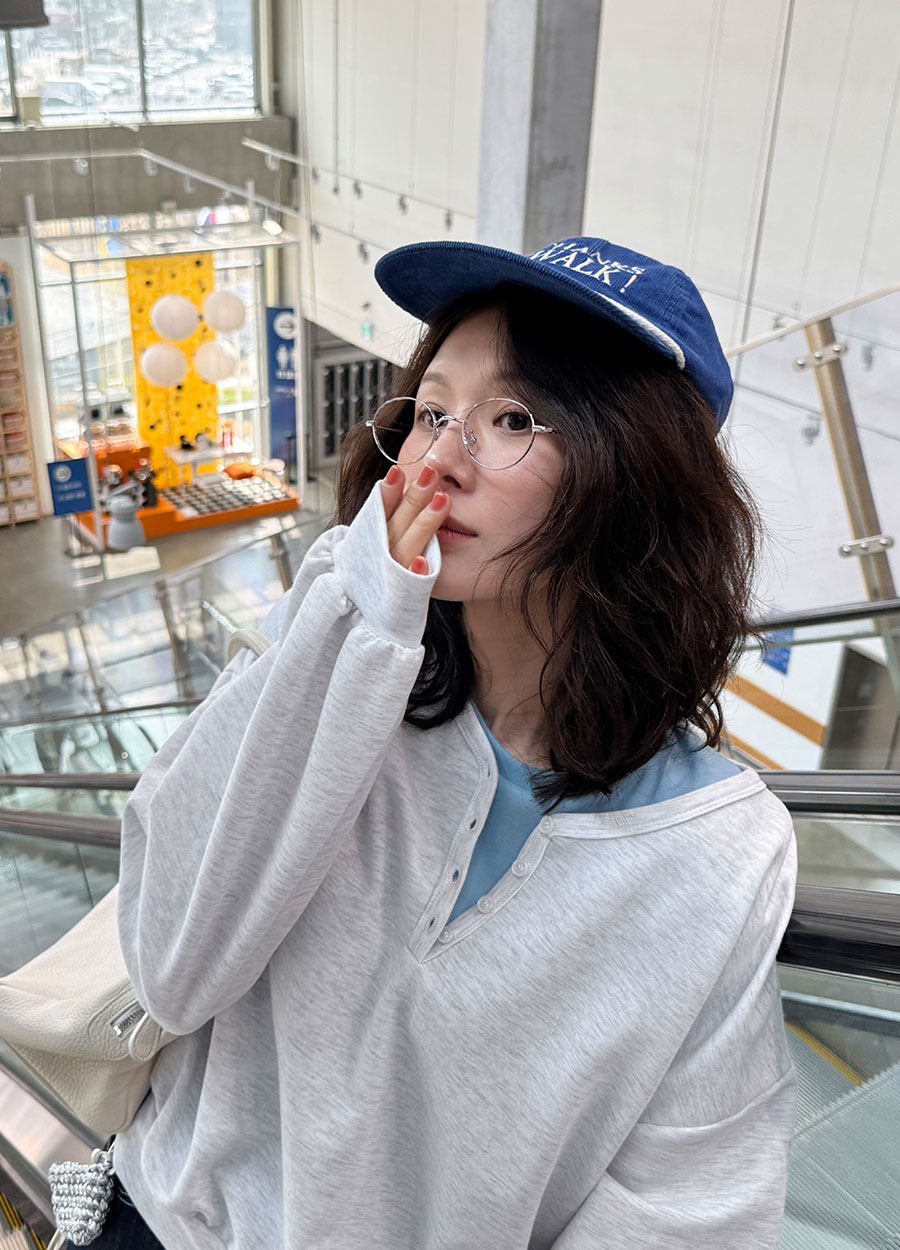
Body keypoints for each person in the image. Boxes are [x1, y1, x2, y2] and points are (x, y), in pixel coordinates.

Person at [95, 236, 797, 1250]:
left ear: (635, 477)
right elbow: (171, 964)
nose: (436, 462)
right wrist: (352, 614)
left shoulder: (718, 852)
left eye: (512, 419)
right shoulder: (335, 662)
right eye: (431, 412)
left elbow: (686, 1206)